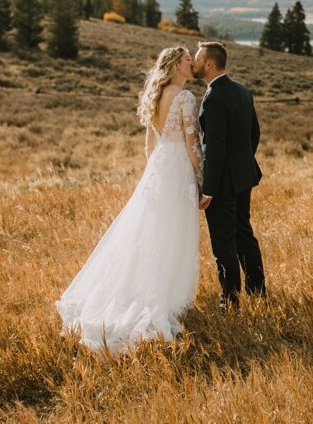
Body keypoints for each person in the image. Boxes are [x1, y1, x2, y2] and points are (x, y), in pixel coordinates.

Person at [57, 46, 203, 352]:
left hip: (158, 170)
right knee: (173, 236)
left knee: (148, 236)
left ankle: (139, 292)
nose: (193, 65)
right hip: (177, 171)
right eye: (189, 61)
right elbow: (192, 145)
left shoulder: (156, 96)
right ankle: (162, 299)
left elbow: (150, 147)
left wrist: (154, 175)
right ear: (177, 65)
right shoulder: (185, 98)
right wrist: (201, 179)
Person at [193, 40, 266, 306]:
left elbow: (214, 147)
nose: (194, 62)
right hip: (244, 176)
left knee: (223, 243)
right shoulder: (242, 91)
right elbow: (253, 134)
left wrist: (209, 188)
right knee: (244, 233)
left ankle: (230, 300)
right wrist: (242, 163)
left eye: (197, 58)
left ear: (209, 64)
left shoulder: (213, 98)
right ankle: (258, 292)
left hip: (222, 183)